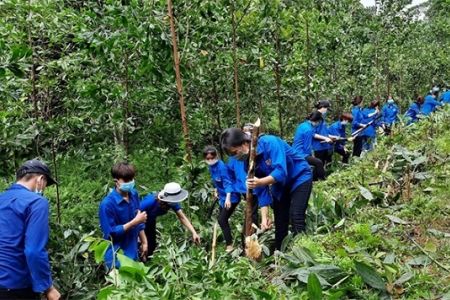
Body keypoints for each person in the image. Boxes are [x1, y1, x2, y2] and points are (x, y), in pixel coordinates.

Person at [220, 128, 313, 251]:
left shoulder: (270, 142)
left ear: (243, 143)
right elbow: (261, 190)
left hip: (299, 176)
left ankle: (303, 253)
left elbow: (281, 171)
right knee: (280, 221)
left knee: (296, 215)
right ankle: (280, 255)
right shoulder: (247, 163)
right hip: (279, 185)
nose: (235, 156)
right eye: (232, 155)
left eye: (235, 152)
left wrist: (260, 182)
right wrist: (264, 218)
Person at [0, 159, 60, 300]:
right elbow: (34, 250)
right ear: (40, 179)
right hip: (15, 285)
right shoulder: (36, 202)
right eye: (45, 184)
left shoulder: (2, 199)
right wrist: (48, 288)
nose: (44, 188)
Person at [99, 162, 148, 268]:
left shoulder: (134, 194)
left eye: (131, 179)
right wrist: (134, 222)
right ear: (116, 181)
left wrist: (144, 242)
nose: (130, 183)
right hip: (117, 257)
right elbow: (111, 233)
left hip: (133, 252)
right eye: (126, 181)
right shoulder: (107, 205)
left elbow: (138, 219)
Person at [140, 182, 200, 257]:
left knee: (151, 246)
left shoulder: (172, 202)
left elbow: (182, 217)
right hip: (138, 224)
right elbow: (133, 217)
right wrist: (139, 237)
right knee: (140, 245)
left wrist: (194, 232)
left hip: (150, 222)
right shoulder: (149, 203)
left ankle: (147, 262)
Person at [203, 146, 240, 252]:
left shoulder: (221, 167)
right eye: (208, 158)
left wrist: (228, 199)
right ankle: (227, 241)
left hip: (231, 197)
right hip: (222, 196)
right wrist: (216, 189)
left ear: (217, 156)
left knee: (222, 220)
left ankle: (229, 246)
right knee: (222, 220)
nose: (210, 160)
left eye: (212, 157)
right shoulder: (211, 167)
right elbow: (217, 180)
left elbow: (228, 183)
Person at [293, 111, 329, 181]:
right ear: (317, 120)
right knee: (319, 162)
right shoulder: (308, 130)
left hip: (295, 150)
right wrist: (311, 155)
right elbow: (306, 147)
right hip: (301, 153)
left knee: (317, 162)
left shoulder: (303, 125)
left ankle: (315, 179)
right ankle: (323, 180)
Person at [312, 100, 333, 167]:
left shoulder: (321, 118)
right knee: (319, 165)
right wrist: (325, 138)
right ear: (323, 107)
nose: (327, 111)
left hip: (324, 145)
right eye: (327, 109)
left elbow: (323, 132)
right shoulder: (315, 117)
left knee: (323, 164)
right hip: (318, 146)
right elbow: (313, 133)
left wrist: (331, 137)